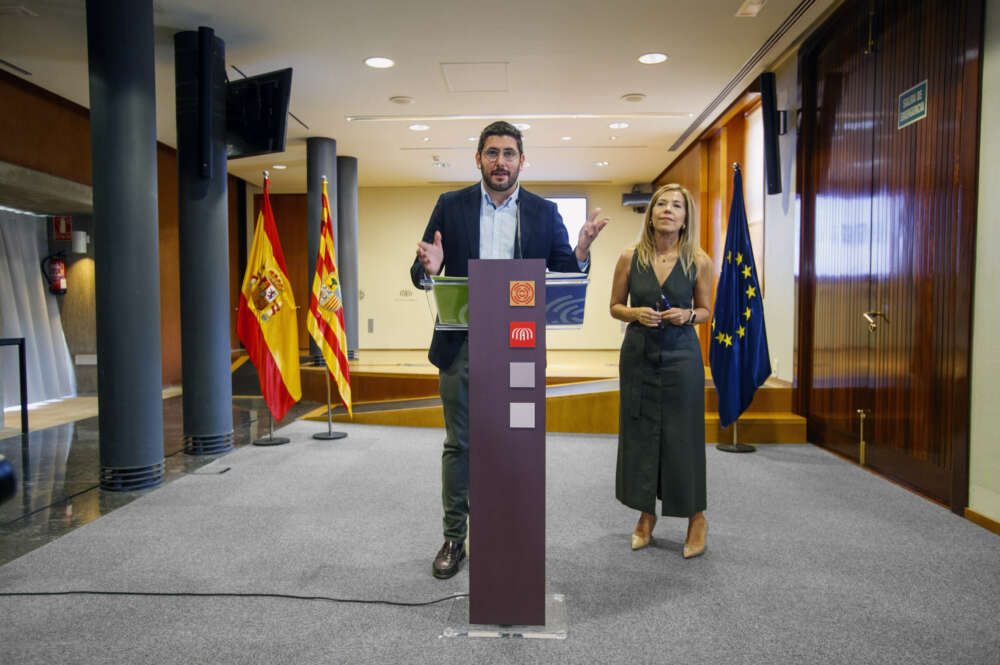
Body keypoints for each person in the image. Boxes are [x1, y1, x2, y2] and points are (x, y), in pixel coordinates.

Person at [410, 120, 609, 579]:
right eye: (492, 153)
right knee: (460, 444)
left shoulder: (543, 212)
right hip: (462, 345)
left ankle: (508, 535)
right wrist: (431, 269)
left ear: (523, 160)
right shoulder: (450, 206)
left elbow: (564, 275)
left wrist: (579, 252)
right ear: (478, 158)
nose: (501, 162)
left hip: (519, 348)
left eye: (509, 153)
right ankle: (454, 538)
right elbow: (420, 272)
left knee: (515, 444)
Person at [609, 183, 712, 558]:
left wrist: (688, 315)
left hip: (682, 358)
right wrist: (634, 313)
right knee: (640, 434)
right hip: (638, 356)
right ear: (650, 214)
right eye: (662, 204)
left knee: (682, 438)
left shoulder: (699, 260)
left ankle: (695, 517)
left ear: (686, 219)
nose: (668, 210)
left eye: (677, 206)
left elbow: (705, 310)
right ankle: (645, 514)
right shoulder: (628, 256)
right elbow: (615, 306)